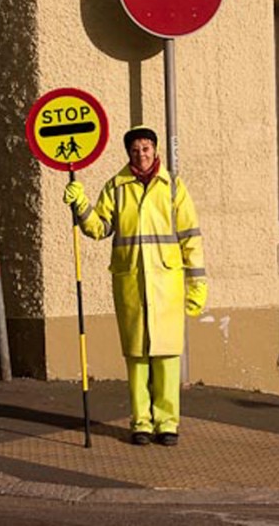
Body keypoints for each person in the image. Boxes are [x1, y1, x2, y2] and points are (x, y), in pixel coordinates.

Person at [63, 125, 207, 446]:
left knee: (168, 357)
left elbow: (191, 238)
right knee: (137, 358)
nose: (141, 154)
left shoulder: (173, 188)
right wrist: (81, 205)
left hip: (166, 285)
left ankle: (167, 423)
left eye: (146, 148)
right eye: (135, 149)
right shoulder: (116, 187)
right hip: (130, 283)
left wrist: (197, 285)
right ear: (128, 153)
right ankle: (141, 422)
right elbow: (99, 228)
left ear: (155, 150)